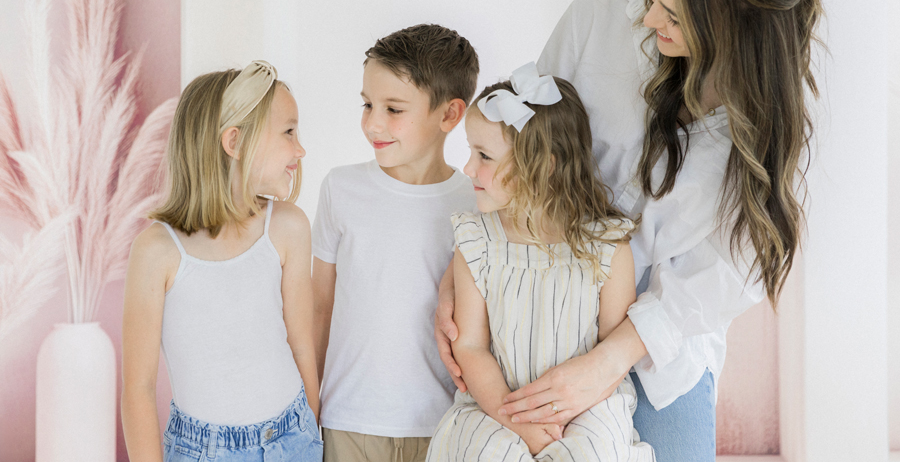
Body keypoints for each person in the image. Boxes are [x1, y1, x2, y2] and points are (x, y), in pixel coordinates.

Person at [435, 0, 849, 461]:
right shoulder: (601, 14)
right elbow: (519, 147)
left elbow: (724, 274)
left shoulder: (770, 127)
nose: (650, 18)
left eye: (674, 15)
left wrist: (607, 361)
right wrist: (465, 274)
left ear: (735, 33)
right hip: (531, 296)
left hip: (656, 334)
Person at [427, 64, 656, 462]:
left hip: (586, 406)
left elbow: (611, 362)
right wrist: (514, 418)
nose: (467, 169)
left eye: (483, 156)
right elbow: (470, 346)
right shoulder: (476, 242)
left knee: (595, 454)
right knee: (479, 452)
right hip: (494, 401)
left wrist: (560, 420)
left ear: (543, 167)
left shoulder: (607, 246)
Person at [122, 61, 322, 462]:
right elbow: (138, 390)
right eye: (288, 131)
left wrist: (311, 431)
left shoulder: (288, 228)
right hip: (201, 452)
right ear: (235, 142)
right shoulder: (156, 252)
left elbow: (303, 346)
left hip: (293, 437)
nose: (300, 149)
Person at [312, 24, 479, 462]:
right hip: (347, 421)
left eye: (393, 108)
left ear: (449, 115)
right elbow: (319, 308)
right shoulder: (340, 189)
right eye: (367, 104)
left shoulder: (475, 204)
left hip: (443, 425)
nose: (373, 123)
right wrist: (307, 404)